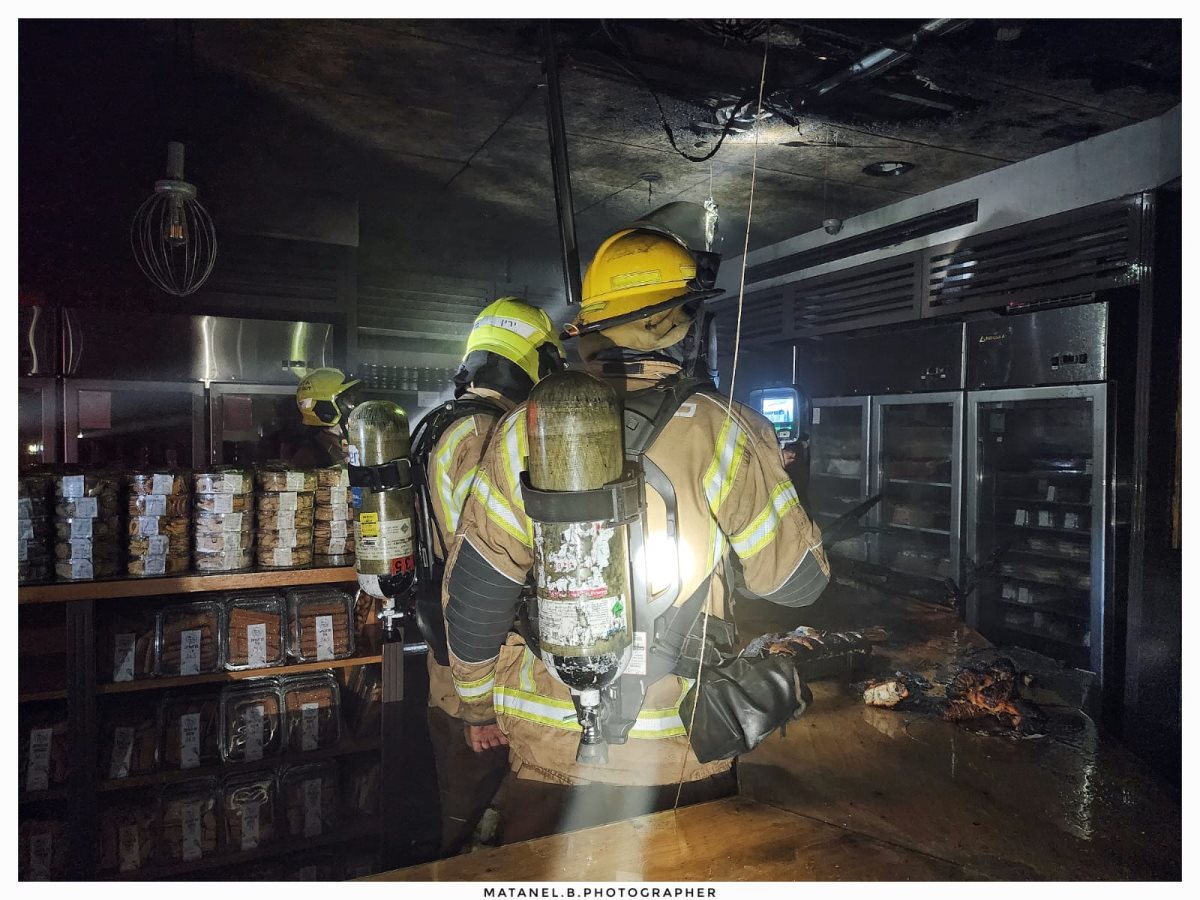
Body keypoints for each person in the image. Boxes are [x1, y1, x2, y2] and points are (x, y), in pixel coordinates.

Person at [441, 203, 831, 843]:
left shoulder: (525, 428)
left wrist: (476, 704)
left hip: (550, 743)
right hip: (676, 748)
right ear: (679, 322)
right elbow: (795, 585)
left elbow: (478, 596)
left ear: (592, 327)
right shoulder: (720, 428)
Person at [410, 297, 566, 855]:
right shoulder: (484, 433)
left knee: (465, 808)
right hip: (482, 660)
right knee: (480, 812)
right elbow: (484, 564)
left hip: (449, 653)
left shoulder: (437, 424)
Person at [292, 367, 360, 467]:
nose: (353, 405)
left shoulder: (349, 435)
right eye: (347, 399)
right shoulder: (309, 454)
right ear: (325, 405)